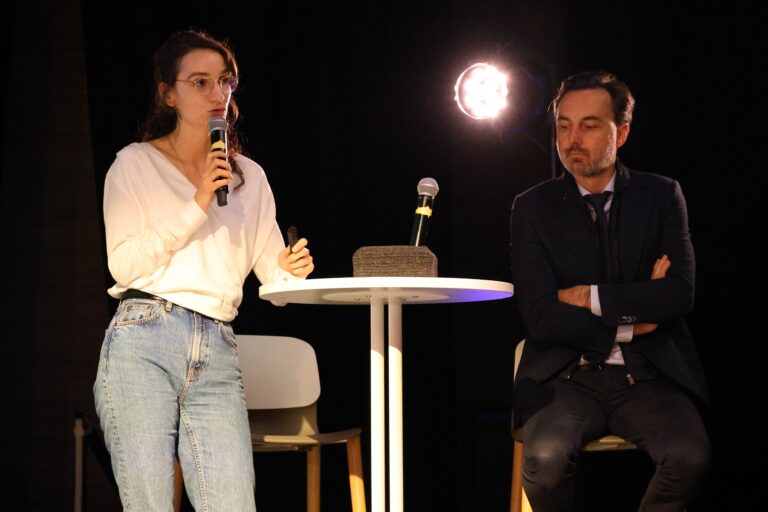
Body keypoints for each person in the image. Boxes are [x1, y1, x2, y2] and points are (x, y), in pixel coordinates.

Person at [93, 30, 314, 511]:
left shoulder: (249, 176)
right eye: (200, 82)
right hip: (143, 338)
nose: (217, 93)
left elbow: (273, 281)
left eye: (225, 81)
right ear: (168, 94)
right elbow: (122, 264)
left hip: (217, 346)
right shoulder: (135, 164)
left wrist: (288, 269)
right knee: (149, 502)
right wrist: (197, 204)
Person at [509, 71, 711, 511]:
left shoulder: (662, 195)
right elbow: (540, 315)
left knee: (689, 457)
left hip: (648, 375)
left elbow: (678, 295)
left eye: (589, 125)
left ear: (622, 132)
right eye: (564, 125)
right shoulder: (532, 207)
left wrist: (587, 296)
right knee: (543, 461)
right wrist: (633, 320)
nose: (571, 139)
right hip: (566, 377)